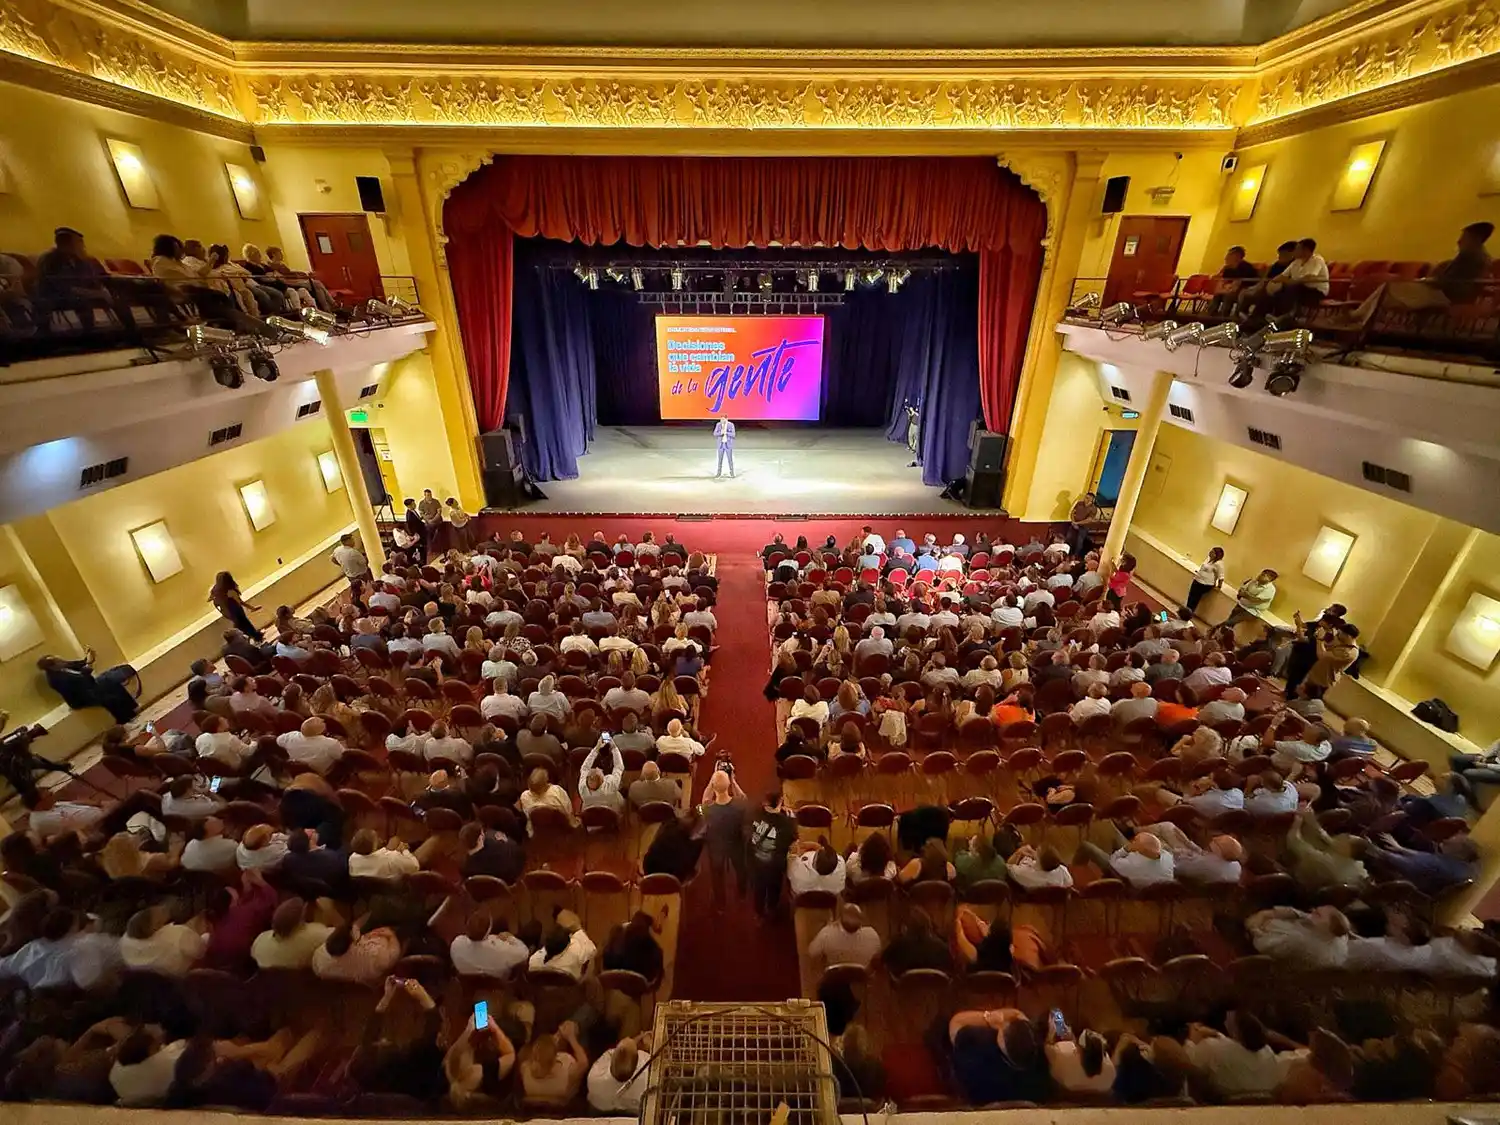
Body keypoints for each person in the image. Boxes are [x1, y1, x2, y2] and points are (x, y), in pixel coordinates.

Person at [747, 790, 797, 917]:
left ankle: (758, 912)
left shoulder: (755, 814)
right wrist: (791, 819)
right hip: (775, 865)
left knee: (759, 889)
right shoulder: (785, 823)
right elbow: (792, 840)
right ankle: (771, 907)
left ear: (765, 803)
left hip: (756, 861)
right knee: (774, 888)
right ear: (780, 802)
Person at [588, 1031, 654, 1114]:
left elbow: (622, 1052)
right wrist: (649, 1046)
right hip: (634, 1113)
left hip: (600, 1110)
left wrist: (634, 1040)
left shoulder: (595, 1075)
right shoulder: (646, 1071)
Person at [808, 904, 881, 969]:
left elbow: (812, 953)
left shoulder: (827, 933)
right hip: (861, 979)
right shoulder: (872, 934)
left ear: (840, 919)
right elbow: (877, 957)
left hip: (835, 978)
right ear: (861, 921)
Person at [1205, 246, 1262, 316]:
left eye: (1229, 255)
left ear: (1237, 256)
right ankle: (1210, 316)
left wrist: (1226, 289)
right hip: (1230, 289)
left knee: (1228, 296)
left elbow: (1238, 285)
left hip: (1246, 290)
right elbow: (1222, 282)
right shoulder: (1228, 268)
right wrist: (1220, 290)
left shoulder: (1246, 267)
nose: (1226, 257)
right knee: (1217, 296)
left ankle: (1224, 318)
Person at [1186, 546, 1226, 615]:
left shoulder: (1219, 564)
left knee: (1194, 599)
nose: (1210, 553)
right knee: (1190, 597)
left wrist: (1219, 586)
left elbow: (1221, 577)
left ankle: (1188, 614)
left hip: (1205, 584)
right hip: (1197, 580)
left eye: (1212, 552)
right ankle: (1185, 612)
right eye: (1211, 551)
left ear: (1217, 555)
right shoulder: (1208, 559)